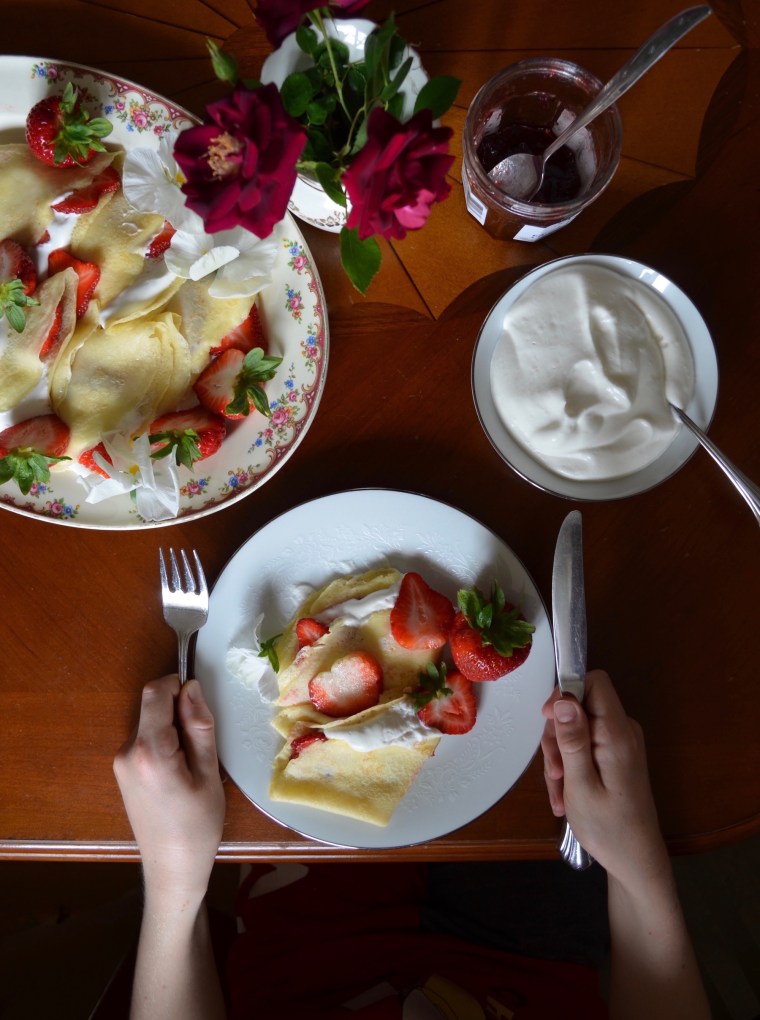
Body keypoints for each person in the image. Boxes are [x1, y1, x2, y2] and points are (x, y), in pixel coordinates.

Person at [113, 670, 711, 1020]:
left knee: (284, 729)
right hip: (528, 960)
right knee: (541, 712)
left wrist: (172, 881)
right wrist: (638, 861)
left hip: (315, 952)